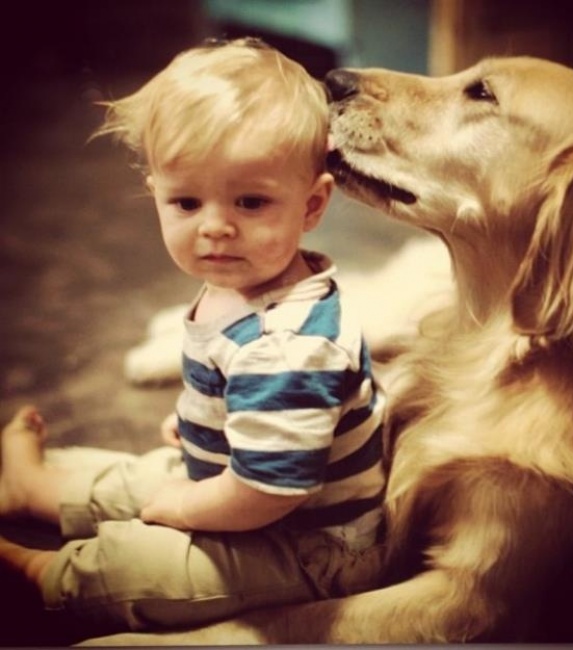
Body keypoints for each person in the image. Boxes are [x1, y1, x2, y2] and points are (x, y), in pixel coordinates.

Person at [0, 37, 386, 636]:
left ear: (312, 205)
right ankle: (34, 490)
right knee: (141, 478)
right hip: (244, 485)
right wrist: (206, 424)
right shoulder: (243, 283)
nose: (215, 227)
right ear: (154, 192)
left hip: (306, 545)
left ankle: (48, 575)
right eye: (186, 202)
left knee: (148, 565)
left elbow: (270, 490)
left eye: (250, 202)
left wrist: (185, 505)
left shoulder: (288, 344)